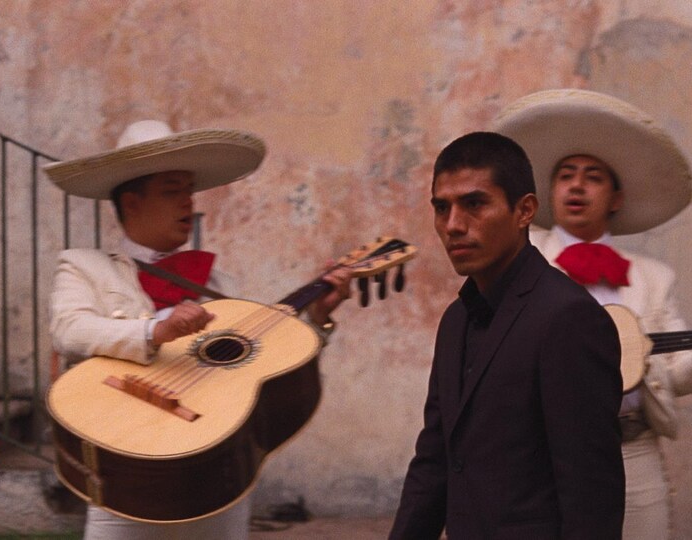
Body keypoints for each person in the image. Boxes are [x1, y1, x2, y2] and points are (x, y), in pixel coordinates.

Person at [43, 120, 351, 540]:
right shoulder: (83, 266)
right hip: (126, 481)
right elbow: (69, 329)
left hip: (215, 476)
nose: (188, 202)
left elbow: (265, 366)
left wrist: (317, 319)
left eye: (189, 190)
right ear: (132, 202)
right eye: (172, 190)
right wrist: (155, 330)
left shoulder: (219, 285)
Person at [492, 88, 692, 539]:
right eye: (566, 175)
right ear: (550, 191)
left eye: (593, 177)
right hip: (542, 456)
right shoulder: (518, 265)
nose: (576, 185)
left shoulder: (653, 277)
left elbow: (673, 372)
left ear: (614, 197)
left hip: (632, 453)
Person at [389, 131, 625, 539]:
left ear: (524, 211)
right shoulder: (456, 320)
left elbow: (591, 492)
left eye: (475, 204)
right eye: (441, 208)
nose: (453, 225)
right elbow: (434, 462)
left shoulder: (568, 317)